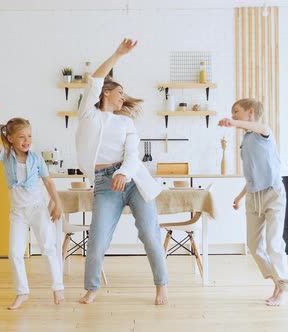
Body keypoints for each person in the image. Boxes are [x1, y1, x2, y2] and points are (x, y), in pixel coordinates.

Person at [75, 39, 169, 305]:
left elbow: (132, 155)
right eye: (120, 93)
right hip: (104, 184)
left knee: (150, 234)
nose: (123, 98)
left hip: (134, 181)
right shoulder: (88, 115)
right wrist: (118, 54)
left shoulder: (126, 121)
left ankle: (161, 286)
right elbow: (95, 80)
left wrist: (124, 174)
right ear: (106, 93)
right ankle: (91, 288)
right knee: (98, 238)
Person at [0, 101, 65, 310]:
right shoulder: (5, 157)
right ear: (10, 139)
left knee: (48, 248)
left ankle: (58, 288)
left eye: (29, 136)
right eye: (21, 137)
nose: (26, 140)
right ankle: (22, 292)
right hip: (18, 213)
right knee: (15, 252)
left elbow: (48, 182)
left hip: (37, 210)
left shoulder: (37, 159)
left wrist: (57, 204)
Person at [218, 98, 288, 306]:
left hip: (273, 194)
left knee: (274, 243)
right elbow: (253, 174)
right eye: (232, 113)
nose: (233, 116)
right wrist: (240, 196)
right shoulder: (246, 140)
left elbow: (257, 126)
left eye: (236, 112)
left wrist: (234, 123)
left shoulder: (263, 133)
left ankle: (284, 286)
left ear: (250, 112)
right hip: (253, 196)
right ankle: (277, 280)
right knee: (253, 244)